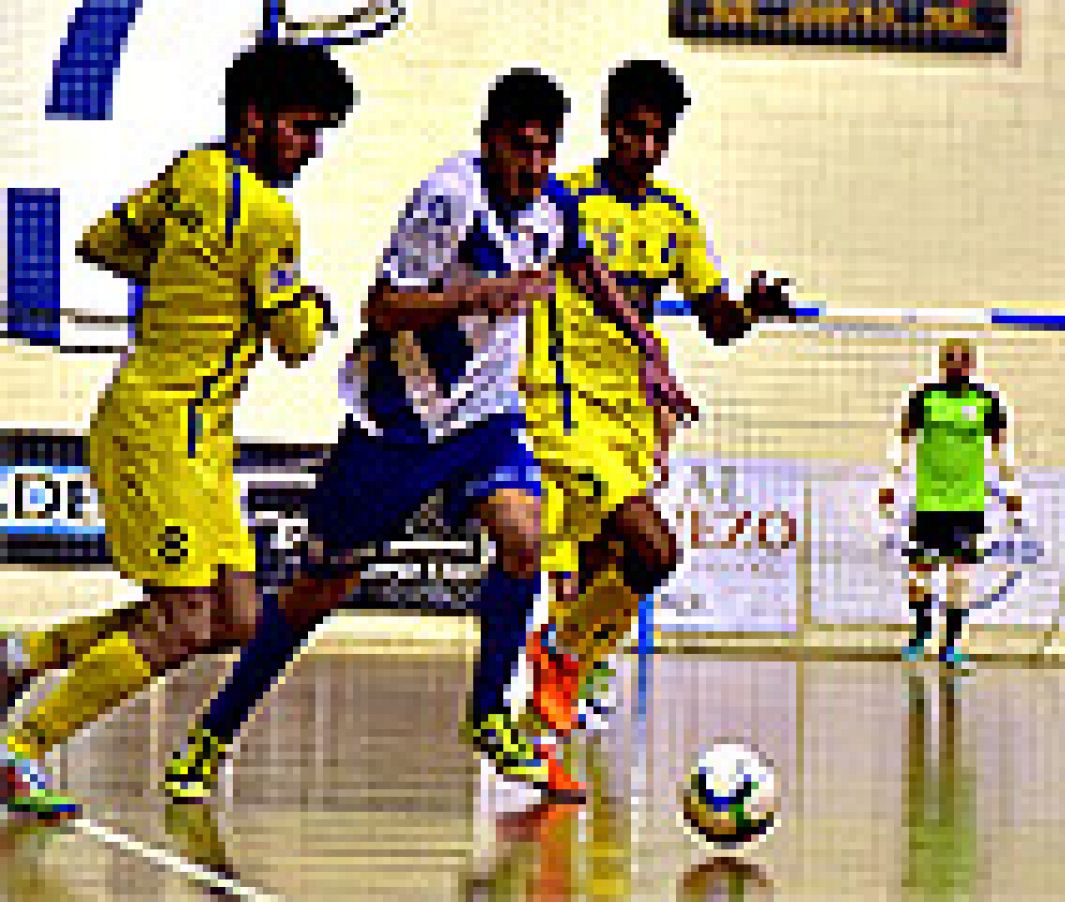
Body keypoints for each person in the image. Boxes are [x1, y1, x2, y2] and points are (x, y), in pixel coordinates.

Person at [159, 67, 694, 805]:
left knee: (522, 531)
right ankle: (212, 734)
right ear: (489, 141)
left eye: (545, 152)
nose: (533, 167)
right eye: (520, 149)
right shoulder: (448, 198)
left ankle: (489, 718)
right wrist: (480, 295)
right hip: (395, 426)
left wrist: (645, 352)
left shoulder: (553, 205)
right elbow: (381, 308)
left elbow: (584, 266)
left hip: (486, 418)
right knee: (316, 593)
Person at [0, 42, 356, 818]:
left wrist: (183, 275)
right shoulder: (269, 217)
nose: (312, 147)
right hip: (160, 431)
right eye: (302, 127)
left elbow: (100, 241)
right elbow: (296, 344)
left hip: (194, 439)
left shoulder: (192, 173)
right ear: (254, 118)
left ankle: (24, 654)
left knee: (235, 619)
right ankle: (20, 749)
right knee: (183, 622)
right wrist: (316, 307)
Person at [519, 59, 794, 737]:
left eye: (657, 136)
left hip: (632, 415)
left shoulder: (677, 218)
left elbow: (717, 321)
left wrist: (751, 308)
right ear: (608, 127)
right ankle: (561, 654)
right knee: (653, 551)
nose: (644, 148)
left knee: (608, 561)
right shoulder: (564, 198)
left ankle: (560, 691)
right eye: (632, 132)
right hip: (562, 404)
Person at [878, 338, 1021, 670]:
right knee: (919, 574)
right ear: (940, 363)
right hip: (928, 501)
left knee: (959, 576)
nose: (956, 365)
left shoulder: (988, 401)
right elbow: (902, 441)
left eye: (963, 360)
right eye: (949, 359)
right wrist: (890, 480)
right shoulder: (923, 398)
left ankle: (952, 645)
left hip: (968, 503)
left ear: (973, 365)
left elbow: (1002, 450)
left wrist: (1012, 486)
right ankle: (919, 634)